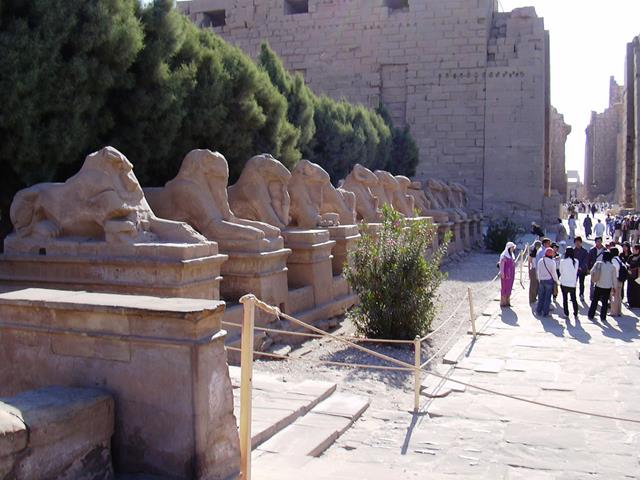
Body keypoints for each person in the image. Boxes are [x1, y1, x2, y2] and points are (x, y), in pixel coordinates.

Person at [588, 251, 617, 322]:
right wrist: (614, 287)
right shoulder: (612, 267)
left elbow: (591, 271)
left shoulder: (598, 263)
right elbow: (614, 278)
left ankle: (591, 314)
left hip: (598, 285)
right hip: (607, 287)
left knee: (595, 300)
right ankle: (603, 317)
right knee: (605, 302)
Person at [536, 247, 559, 317]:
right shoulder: (552, 262)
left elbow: (538, 271)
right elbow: (554, 273)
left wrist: (539, 279)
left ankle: (538, 310)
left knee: (541, 297)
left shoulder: (540, 261)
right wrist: (556, 281)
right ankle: (545, 312)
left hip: (541, 281)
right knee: (547, 298)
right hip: (549, 281)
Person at [559, 247, 579, 319]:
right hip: (572, 283)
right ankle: (575, 312)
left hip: (564, 282)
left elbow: (560, 271)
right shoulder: (576, 261)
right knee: (574, 298)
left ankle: (566, 313)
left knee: (565, 299)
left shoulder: (562, 261)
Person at [499, 242, 516, 307]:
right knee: (504, 288)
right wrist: (502, 274)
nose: (513, 249)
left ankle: (508, 302)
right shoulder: (504, 256)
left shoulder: (511, 255)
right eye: (512, 247)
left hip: (511, 274)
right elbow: (502, 266)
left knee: (509, 287)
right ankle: (503, 302)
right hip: (505, 275)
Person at [610, 247, 625, 316]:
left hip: (615, 279)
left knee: (614, 296)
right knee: (618, 296)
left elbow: (614, 271)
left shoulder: (613, 260)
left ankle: (614, 312)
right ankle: (619, 311)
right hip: (620, 280)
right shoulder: (619, 259)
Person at [573, 237, 589, 301]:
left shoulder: (584, 251)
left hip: (582, 270)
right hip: (574, 270)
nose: (577, 243)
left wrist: (581, 267)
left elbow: (586, 260)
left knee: (581, 283)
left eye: (579, 242)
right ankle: (573, 295)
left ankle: (581, 294)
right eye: (576, 242)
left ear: (581, 242)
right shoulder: (572, 251)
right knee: (573, 283)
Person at [528, 240, 542, 304]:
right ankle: (532, 298)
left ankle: (536, 297)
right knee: (533, 285)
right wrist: (529, 271)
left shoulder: (540, 253)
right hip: (533, 270)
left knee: (538, 285)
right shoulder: (532, 254)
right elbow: (529, 263)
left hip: (539, 270)